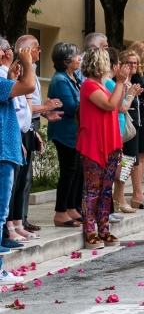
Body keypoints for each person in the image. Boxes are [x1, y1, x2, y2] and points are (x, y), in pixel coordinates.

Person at [77, 48, 128, 249]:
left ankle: (103, 228)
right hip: (94, 142)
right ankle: (89, 230)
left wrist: (121, 84)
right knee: (93, 189)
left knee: (106, 189)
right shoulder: (89, 85)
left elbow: (117, 104)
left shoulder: (101, 85)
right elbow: (110, 104)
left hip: (108, 140)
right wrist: (121, 82)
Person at [15, 35, 62, 234]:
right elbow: (23, 105)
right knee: (19, 178)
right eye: (36, 48)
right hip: (21, 125)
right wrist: (45, 107)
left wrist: (45, 112)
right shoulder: (19, 71)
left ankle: (22, 220)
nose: (39, 52)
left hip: (31, 123)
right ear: (25, 51)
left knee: (26, 179)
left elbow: (33, 105)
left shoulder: (32, 69)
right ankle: (15, 222)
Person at [0, 44, 36, 283]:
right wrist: (28, 63)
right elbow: (30, 85)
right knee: (0, 214)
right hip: (2, 155)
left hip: (7, 151)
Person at [47, 43, 84, 227]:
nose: (79, 58)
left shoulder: (74, 77)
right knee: (68, 171)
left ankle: (71, 208)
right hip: (64, 132)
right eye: (76, 55)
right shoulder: (60, 80)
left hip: (74, 133)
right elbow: (70, 108)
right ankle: (60, 212)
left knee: (76, 170)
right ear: (65, 61)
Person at [106, 48, 142, 215]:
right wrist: (130, 95)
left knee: (126, 163)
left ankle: (118, 198)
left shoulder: (133, 80)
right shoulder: (112, 82)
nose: (130, 66)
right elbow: (122, 107)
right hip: (119, 128)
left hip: (128, 127)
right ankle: (117, 200)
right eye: (126, 63)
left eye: (134, 63)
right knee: (119, 165)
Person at [123, 42, 144, 209]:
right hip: (136, 121)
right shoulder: (135, 78)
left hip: (141, 119)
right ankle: (136, 194)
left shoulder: (140, 76)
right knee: (133, 158)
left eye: (135, 62)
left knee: (141, 156)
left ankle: (138, 193)